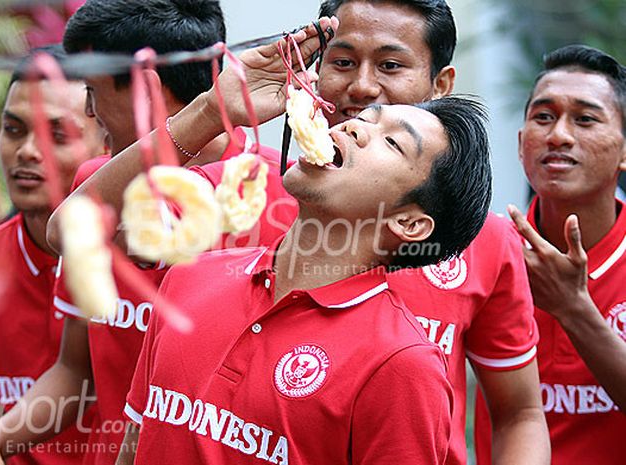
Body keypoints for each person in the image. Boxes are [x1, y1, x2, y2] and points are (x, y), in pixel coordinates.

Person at [0, 3, 327, 465]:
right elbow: (77, 371)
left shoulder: (274, 195)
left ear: (143, 89)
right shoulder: (99, 186)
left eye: (92, 92)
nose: (90, 113)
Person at [120, 96, 492, 465]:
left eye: (393, 142)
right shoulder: (190, 275)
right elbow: (134, 447)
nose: (354, 127)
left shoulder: (401, 366)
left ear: (408, 224)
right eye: (365, 117)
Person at [314, 1, 549, 464]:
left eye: (390, 65)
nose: (361, 87)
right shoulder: (249, 197)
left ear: (441, 85)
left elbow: (520, 412)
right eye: (341, 62)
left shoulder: (486, 241)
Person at [475, 44, 626, 465]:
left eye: (585, 119)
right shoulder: (484, 249)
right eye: (543, 117)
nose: (558, 134)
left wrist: (573, 309)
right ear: (522, 144)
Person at [0, 44, 106, 465]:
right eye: (15, 129)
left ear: (109, 142)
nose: (27, 152)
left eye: (57, 135)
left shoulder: (149, 261)